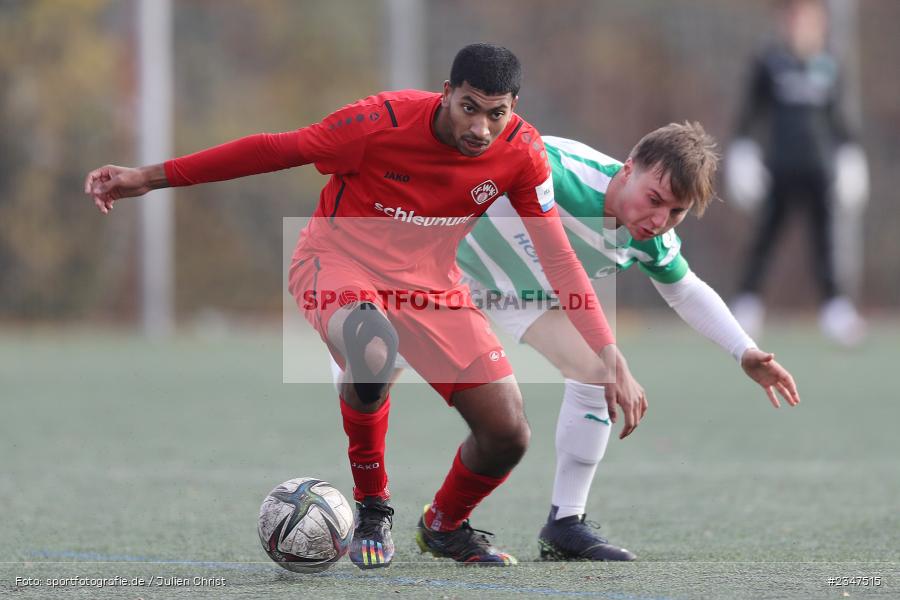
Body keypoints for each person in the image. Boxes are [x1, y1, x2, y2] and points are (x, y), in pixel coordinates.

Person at [84, 43, 646, 568]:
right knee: (373, 348)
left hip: (432, 288)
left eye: (495, 113)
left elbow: (561, 260)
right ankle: (373, 509)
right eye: (468, 108)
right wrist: (147, 178)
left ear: (513, 108)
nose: (480, 127)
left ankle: (445, 526)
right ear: (446, 91)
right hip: (337, 262)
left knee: (507, 434)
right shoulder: (375, 124)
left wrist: (607, 353)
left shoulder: (521, 153)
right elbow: (270, 149)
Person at [456, 122, 801, 561]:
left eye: (676, 212)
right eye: (654, 200)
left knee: (597, 374)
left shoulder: (653, 239)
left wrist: (744, 350)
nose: (660, 221)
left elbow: (684, 289)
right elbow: (466, 163)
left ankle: (564, 524)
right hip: (451, 268)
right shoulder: (557, 170)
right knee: (371, 372)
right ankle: (374, 506)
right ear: (627, 170)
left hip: (525, 294)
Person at [725, 0, 869, 345]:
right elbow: (749, 113)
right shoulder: (768, 63)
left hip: (821, 171)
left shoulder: (831, 64)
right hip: (778, 169)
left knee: (827, 242)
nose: (799, 26)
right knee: (765, 238)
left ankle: (836, 308)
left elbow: (841, 117)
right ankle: (747, 303)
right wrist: (742, 152)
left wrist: (851, 155)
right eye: (792, 18)